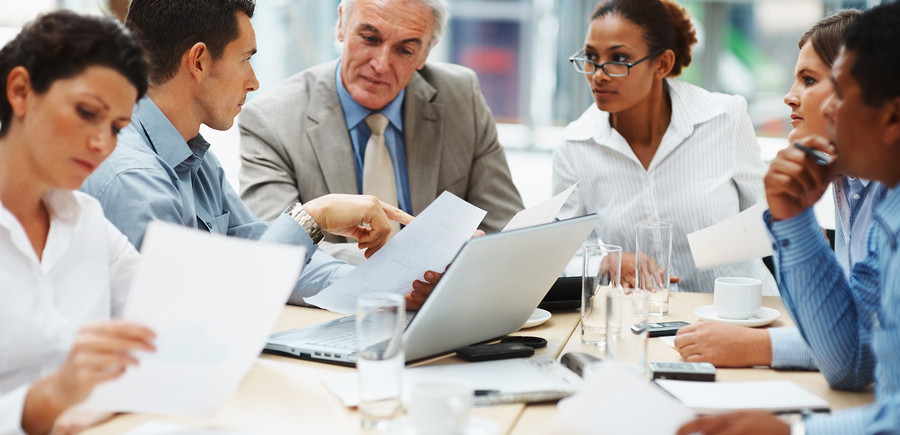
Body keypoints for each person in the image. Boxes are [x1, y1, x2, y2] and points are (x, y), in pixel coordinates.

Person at [80, 0, 436, 309]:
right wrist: (313, 218)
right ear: (199, 62)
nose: (254, 81)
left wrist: (386, 289)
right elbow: (206, 310)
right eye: (246, 59)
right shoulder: (133, 178)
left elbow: (262, 257)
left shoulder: (191, 155)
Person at [679, 2, 900, 433]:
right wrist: (793, 217)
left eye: (819, 82)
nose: (790, 97)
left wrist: (792, 431)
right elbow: (853, 358)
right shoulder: (855, 183)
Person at [238, 0, 524, 264]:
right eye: (370, 39)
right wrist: (418, 263)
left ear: (426, 51)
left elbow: (509, 228)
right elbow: (273, 246)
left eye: (405, 50)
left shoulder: (461, 97)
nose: (381, 64)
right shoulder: (272, 120)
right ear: (341, 25)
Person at [0, 11, 155, 434]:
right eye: (87, 112)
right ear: (20, 91)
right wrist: (45, 401)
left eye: (117, 127)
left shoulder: (87, 220)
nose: (102, 143)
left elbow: (163, 314)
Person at [553, 0, 775, 294]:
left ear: (663, 64)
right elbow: (560, 256)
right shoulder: (575, 145)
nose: (599, 74)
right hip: (640, 324)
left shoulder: (725, 118)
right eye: (591, 57)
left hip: (738, 315)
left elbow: (768, 222)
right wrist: (606, 261)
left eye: (619, 58)